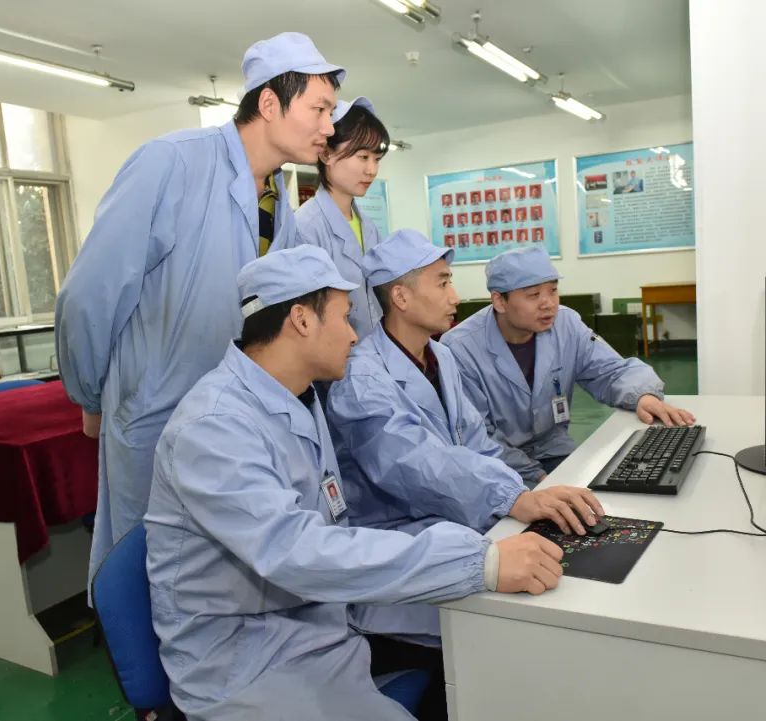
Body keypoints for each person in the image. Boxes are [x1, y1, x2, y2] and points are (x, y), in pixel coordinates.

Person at [145, 246, 565, 721]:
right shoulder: (214, 427)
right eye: (345, 318)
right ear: (302, 320)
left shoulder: (298, 397)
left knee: (501, 635)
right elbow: (297, 552)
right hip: (249, 659)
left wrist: (481, 545)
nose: (353, 334)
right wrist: (479, 561)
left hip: (319, 623)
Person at [55, 32, 345, 585]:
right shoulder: (171, 164)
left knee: (216, 582)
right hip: (156, 415)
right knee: (149, 575)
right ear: (269, 103)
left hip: (235, 417)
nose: (329, 127)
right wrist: (89, 395)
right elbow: (89, 294)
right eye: (320, 109)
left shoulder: (276, 198)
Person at [326, 230, 604, 644]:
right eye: (442, 283)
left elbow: (478, 443)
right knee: (529, 623)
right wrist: (512, 499)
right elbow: (415, 464)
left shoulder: (440, 356)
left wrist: (525, 492)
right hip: (402, 545)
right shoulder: (362, 379)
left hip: (457, 518)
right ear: (401, 297)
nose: (455, 297)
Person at [441, 247, 695, 487]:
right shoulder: (460, 348)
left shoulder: (566, 324)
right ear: (499, 301)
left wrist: (642, 396)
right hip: (497, 466)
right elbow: (477, 436)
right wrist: (538, 478)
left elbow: (609, 369)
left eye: (553, 290)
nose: (548, 303)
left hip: (554, 450)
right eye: (533, 295)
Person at [273, 96, 387, 337]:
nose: (372, 170)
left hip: (374, 353)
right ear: (325, 154)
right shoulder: (305, 228)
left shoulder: (369, 227)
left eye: (377, 159)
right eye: (363, 157)